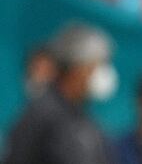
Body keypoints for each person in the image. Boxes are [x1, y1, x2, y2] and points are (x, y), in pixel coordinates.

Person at [4, 24, 117, 164]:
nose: (102, 74)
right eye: (96, 66)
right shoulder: (41, 112)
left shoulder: (90, 126)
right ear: (76, 68)